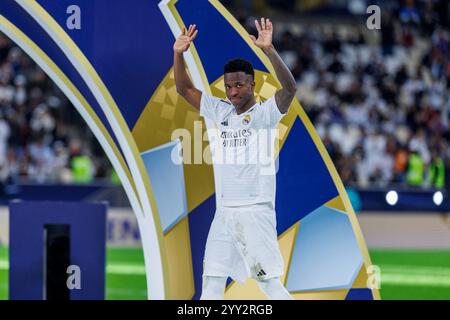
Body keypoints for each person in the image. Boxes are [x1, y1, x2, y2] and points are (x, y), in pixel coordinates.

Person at [173, 18, 296, 300]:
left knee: (270, 286)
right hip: (224, 213)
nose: (232, 92)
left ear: (252, 84)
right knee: (211, 285)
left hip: (255, 213)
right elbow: (183, 89)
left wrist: (269, 51)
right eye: (228, 87)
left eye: (239, 85)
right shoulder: (221, 112)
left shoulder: (266, 113)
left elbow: (290, 90)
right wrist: (178, 53)